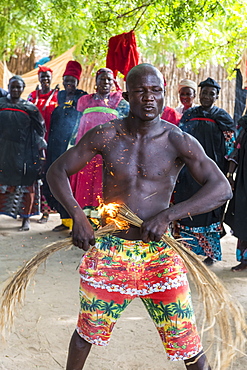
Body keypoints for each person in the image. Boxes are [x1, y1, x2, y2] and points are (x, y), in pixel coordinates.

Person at [47, 64, 232, 370]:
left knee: (187, 342)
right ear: (128, 94)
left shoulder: (177, 140)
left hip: (160, 255)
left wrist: (168, 215)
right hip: (111, 252)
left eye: (155, 90)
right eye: (141, 91)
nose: (149, 98)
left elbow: (221, 187)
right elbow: (57, 171)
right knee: (85, 334)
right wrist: (77, 216)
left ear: (164, 93)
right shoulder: (108, 134)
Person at [173, 77, 236, 265]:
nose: (207, 96)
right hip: (187, 173)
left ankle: (211, 254)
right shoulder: (189, 115)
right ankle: (187, 252)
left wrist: (228, 173)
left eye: (211, 93)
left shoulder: (222, 117)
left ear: (217, 96)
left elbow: (230, 147)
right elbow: (179, 140)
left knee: (210, 209)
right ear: (198, 94)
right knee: (187, 207)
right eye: (204, 92)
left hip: (212, 172)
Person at [69, 67, 129, 222]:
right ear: (96, 81)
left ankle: (104, 223)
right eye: (103, 78)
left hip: (109, 154)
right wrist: (71, 149)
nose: (106, 82)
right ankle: (83, 222)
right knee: (85, 184)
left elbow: (126, 127)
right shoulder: (85, 101)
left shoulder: (120, 102)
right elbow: (77, 126)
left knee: (105, 185)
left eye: (109, 79)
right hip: (86, 153)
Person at [44, 61, 87, 232]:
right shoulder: (59, 96)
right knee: (52, 179)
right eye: (66, 80)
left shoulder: (82, 97)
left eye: (72, 80)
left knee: (70, 183)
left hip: (71, 146)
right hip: (54, 144)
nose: (69, 83)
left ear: (77, 81)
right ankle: (64, 220)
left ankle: (76, 221)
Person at [0, 76, 45, 231]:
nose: (15, 90)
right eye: (13, 87)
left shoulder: (29, 107)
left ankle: (26, 219)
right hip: (3, 151)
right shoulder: (1, 104)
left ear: (23, 88)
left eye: (19, 87)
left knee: (26, 186)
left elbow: (41, 129)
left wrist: (37, 148)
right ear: (8, 87)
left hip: (24, 152)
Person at [28, 65, 59, 223]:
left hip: (52, 142)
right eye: (42, 77)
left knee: (48, 174)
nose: (45, 79)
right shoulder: (32, 96)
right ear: (39, 78)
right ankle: (31, 209)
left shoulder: (57, 96)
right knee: (35, 174)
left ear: (51, 78)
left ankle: (47, 211)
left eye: (48, 77)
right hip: (34, 142)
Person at [225, 113, 247, 271]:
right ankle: (245, 260)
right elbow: (236, 150)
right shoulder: (244, 125)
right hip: (244, 180)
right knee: (243, 218)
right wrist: (230, 175)